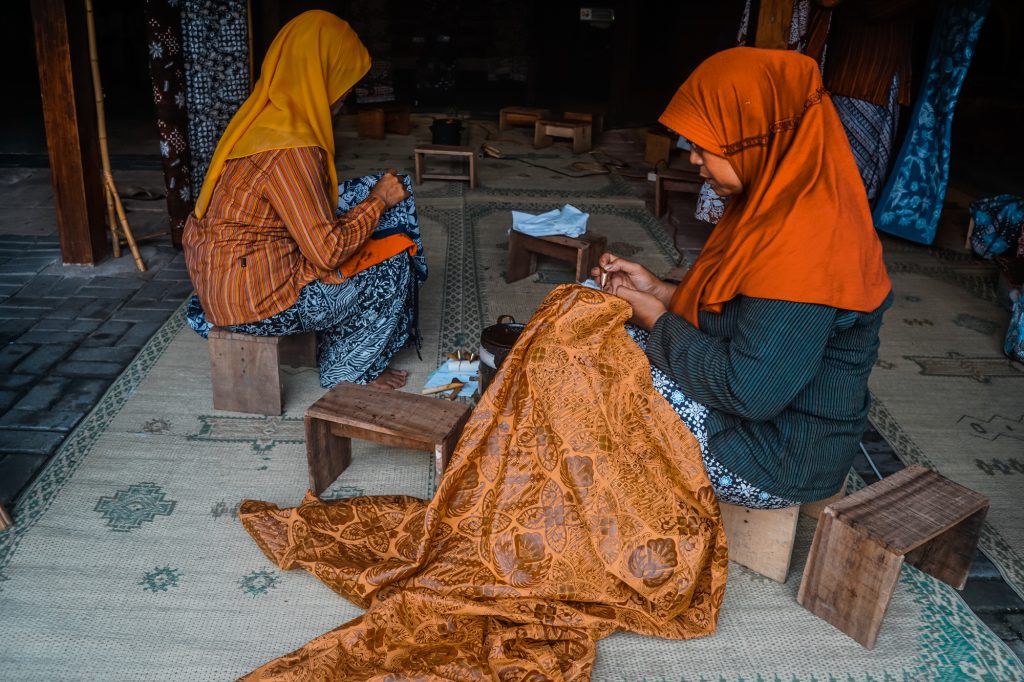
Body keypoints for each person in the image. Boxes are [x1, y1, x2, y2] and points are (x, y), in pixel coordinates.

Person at [597, 47, 893, 508]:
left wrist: (656, 318)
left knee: (592, 362)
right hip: (762, 428)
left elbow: (747, 392)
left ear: (753, 136)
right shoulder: (780, 204)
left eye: (703, 145)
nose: (693, 159)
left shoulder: (811, 246)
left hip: (770, 460)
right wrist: (659, 292)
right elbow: (747, 319)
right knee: (590, 314)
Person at [182, 11, 420, 390]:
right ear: (319, 77)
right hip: (252, 303)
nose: (347, 94)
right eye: (343, 79)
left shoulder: (261, 119)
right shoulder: (293, 148)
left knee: (365, 200)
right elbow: (327, 252)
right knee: (394, 261)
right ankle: (350, 370)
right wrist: (377, 202)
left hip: (225, 282)